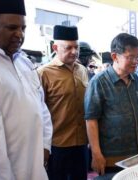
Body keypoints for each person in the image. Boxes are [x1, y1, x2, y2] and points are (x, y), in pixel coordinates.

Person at [0, 0, 49, 179]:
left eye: (23, 28)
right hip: (6, 170)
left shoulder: (25, 62)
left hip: (37, 165)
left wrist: (45, 145)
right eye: (12, 28)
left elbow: (42, 107)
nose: (19, 34)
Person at [84, 33, 138, 179]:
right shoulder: (99, 82)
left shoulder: (135, 79)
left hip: (135, 154)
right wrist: (96, 153)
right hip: (110, 158)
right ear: (115, 56)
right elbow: (91, 120)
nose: (136, 61)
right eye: (130, 57)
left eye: (137, 57)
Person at [38, 25, 88, 180]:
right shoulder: (43, 73)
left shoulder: (82, 70)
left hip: (81, 144)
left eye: (76, 47)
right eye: (68, 47)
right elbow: (39, 112)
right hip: (57, 146)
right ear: (55, 47)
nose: (74, 51)